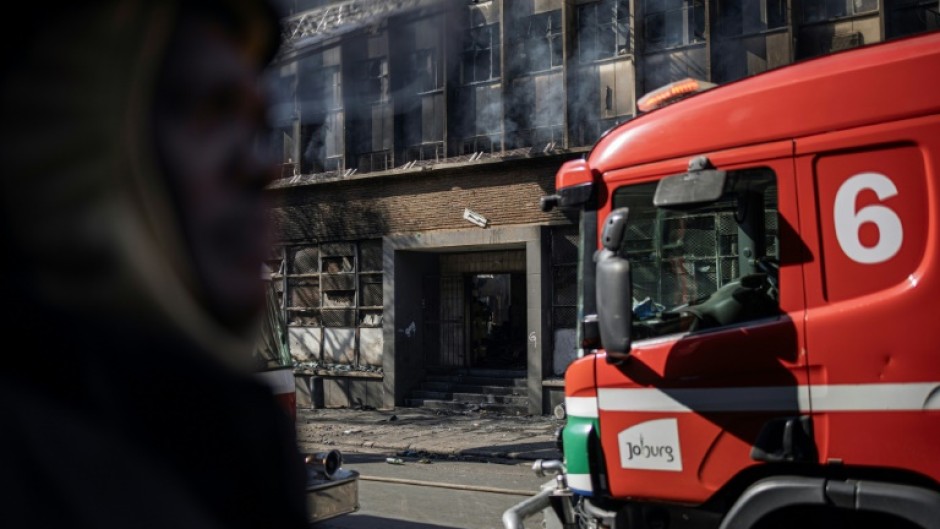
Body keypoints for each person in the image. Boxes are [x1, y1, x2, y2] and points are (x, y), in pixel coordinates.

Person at [0, 1, 309, 528]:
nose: (263, 165)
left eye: (256, 126)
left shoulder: (236, 437)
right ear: (81, 147)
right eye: (211, 112)